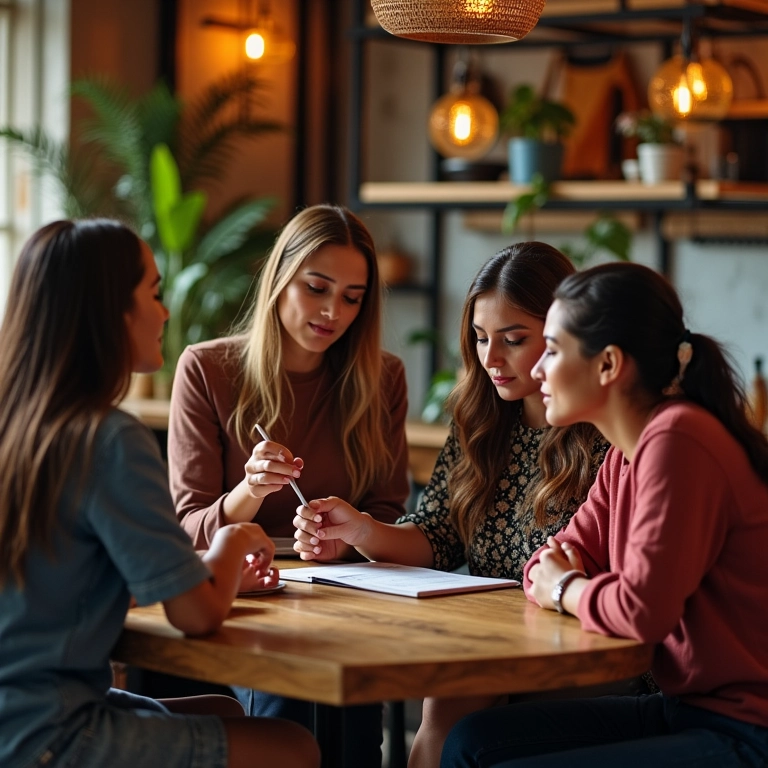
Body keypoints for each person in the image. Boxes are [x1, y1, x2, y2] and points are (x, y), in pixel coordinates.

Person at [0, 219, 320, 768]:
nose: (165, 312)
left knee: (224, 709)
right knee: (294, 747)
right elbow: (196, 616)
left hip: (16, 717)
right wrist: (233, 542)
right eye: (153, 293)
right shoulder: (109, 438)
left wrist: (207, 571)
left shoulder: (21, 427)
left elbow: (70, 585)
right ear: (110, 311)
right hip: (48, 733)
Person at [294, 242, 610, 768]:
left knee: (454, 708)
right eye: (481, 338)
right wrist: (361, 530)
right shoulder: (482, 422)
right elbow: (438, 535)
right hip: (493, 642)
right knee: (447, 706)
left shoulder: (605, 435)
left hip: (579, 645)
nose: (491, 359)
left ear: (565, 335)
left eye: (514, 340)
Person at [441, 261, 768, 768]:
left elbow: (640, 611)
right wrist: (559, 578)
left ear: (609, 364)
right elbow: (543, 563)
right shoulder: (624, 456)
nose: (538, 370)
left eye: (552, 350)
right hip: (686, 709)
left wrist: (565, 588)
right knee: (471, 739)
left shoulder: (679, 439)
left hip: (747, 727)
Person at [168, 203, 410, 766]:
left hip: (348, 599)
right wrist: (250, 490)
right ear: (279, 278)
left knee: (354, 735)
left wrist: (344, 540)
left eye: (352, 298)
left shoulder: (384, 378)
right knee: (288, 712)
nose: (332, 311)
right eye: (316, 287)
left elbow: (388, 515)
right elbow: (188, 530)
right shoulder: (206, 370)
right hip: (251, 597)